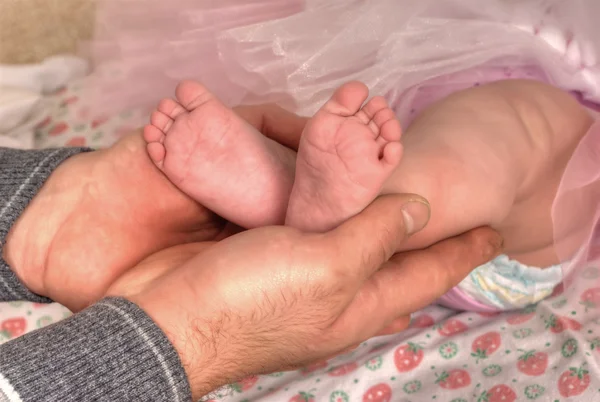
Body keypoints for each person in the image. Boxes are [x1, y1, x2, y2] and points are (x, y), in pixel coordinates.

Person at [0, 104, 502, 401]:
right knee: (521, 121)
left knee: (472, 152)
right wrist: (179, 336)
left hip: (397, 267)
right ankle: (318, 210)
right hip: (493, 267)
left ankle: (302, 211)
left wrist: (45, 221)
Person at [142, 79, 592, 311]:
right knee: (506, 143)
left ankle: (343, 203)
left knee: (523, 120)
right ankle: (304, 200)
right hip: (514, 266)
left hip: (503, 240)